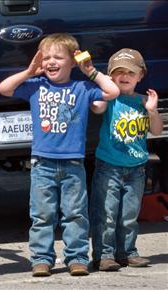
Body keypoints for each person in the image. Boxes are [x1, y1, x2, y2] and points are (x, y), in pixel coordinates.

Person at [0, 33, 120, 277]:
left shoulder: (83, 87)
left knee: (75, 214)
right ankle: (42, 259)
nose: (51, 62)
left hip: (73, 163)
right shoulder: (35, 86)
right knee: (42, 215)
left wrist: (91, 72)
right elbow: (4, 88)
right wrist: (30, 71)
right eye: (47, 57)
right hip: (42, 163)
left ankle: (77, 258)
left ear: (73, 61)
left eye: (58, 57)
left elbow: (112, 92)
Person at [90, 48, 163, 271]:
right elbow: (96, 108)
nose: (124, 76)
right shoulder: (109, 98)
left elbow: (157, 131)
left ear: (140, 75)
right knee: (107, 213)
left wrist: (152, 111)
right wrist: (101, 83)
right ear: (111, 75)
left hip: (137, 169)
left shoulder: (143, 101)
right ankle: (104, 255)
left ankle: (127, 252)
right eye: (118, 72)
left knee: (129, 216)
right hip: (109, 167)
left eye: (130, 72)